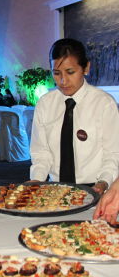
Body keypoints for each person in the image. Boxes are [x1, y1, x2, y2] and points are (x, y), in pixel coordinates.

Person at [29, 38, 119, 195]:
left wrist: (102, 183)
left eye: (70, 72)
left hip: (95, 189)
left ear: (86, 68)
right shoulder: (45, 104)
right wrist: (37, 180)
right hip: (54, 190)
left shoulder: (104, 103)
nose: (63, 81)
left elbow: (113, 154)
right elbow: (41, 152)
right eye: (56, 73)